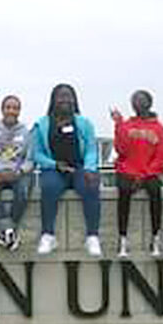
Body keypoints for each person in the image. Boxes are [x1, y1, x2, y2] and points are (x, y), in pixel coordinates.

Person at [32, 83, 103, 256]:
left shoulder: (84, 123)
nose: (65, 100)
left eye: (69, 96)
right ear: (53, 100)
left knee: (91, 186)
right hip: (54, 168)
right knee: (49, 187)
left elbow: (92, 149)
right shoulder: (41, 124)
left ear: (74, 100)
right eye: (61, 96)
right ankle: (48, 234)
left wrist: (89, 168)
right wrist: (54, 165)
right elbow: (36, 153)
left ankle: (92, 236)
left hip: (79, 168)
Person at [111, 90, 163, 258]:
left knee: (155, 191)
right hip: (128, 171)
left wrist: (144, 175)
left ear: (149, 103)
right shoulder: (128, 125)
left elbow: (162, 156)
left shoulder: (160, 129)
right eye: (134, 100)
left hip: (149, 172)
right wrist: (118, 124)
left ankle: (155, 237)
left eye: (140, 99)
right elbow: (121, 149)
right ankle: (122, 238)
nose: (137, 103)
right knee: (123, 191)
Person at [0, 95, 33, 252]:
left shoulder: (26, 133)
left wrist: (19, 172)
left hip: (18, 174)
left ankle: (6, 231)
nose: (11, 111)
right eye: (8, 107)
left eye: (15, 108)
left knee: (23, 190)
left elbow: (30, 160)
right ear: (2, 110)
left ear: (19, 111)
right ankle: (10, 231)